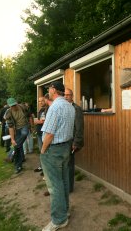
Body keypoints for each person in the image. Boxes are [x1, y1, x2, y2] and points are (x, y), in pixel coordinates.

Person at [40, 81, 75, 231]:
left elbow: (49, 134)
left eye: (49, 88)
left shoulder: (55, 106)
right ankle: (65, 211)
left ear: (54, 90)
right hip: (66, 147)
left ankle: (59, 220)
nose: (48, 90)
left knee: (55, 185)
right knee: (64, 181)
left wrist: (42, 150)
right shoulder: (69, 106)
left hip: (53, 150)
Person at [64, 88, 84, 193]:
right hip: (64, 140)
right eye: (64, 95)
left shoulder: (76, 109)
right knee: (64, 164)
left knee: (69, 165)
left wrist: (76, 142)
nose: (66, 97)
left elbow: (79, 127)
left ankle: (69, 188)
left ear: (72, 96)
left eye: (68, 95)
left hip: (71, 141)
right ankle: (65, 185)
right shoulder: (63, 108)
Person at [5, 97, 30, 174]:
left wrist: (31, 126)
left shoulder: (23, 107)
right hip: (16, 130)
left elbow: (30, 116)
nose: (14, 107)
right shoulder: (8, 113)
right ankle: (18, 166)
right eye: (12, 106)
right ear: (9, 106)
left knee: (25, 133)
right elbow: (11, 128)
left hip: (25, 126)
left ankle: (10, 155)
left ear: (16, 103)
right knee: (18, 147)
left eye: (14, 105)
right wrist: (12, 139)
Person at [33, 96, 48, 173]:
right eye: (39, 101)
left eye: (42, 101)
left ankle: (46, 169)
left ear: (45, 100)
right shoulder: (41, 110)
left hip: (44, 134)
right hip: (39, 133)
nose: (41, 102)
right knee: (41, 151)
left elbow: (43, 121)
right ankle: (42, 167)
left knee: (45, 151)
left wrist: (35, 121)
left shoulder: (47, 109)